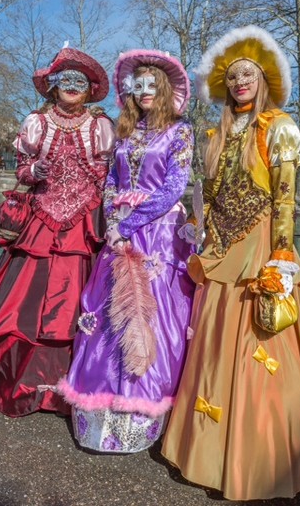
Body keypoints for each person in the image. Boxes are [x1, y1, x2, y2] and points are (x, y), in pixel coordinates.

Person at [161, 25, 300, 500]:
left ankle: (264, 458)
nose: (241, 81)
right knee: (218, 348)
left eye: (249, 73)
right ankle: (211, 453)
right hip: (223, 248)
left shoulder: (280, 126)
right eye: (234, 75)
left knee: (261, 344)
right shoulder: (218, 131)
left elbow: (285, 199)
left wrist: (282, 256)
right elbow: (211, 193)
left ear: (262, 79)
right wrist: (200, 228)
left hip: (262, 249)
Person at [0, 46, 115, 417]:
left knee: (78, 301)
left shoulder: (100, 125)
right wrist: (34, 173)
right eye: (66, 80)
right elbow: (22, 168)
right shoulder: (37, 122)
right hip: (42, 221)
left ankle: (70, 387)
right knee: (26, 302)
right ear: (54, 85)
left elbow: (109, 171)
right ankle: (26, 383)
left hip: (84, 224)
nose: (73, 87)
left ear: (90, 88)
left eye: (80, 82)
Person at [57, 49, 195, 453]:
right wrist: (112, 223)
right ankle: (98, 414)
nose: (146, 91)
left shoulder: (181, 132)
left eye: (153, 84)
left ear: (166, 89)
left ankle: (140, 418)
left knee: (151, 319)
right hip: (119, 236)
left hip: (158, 234)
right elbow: (112, 183)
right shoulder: (125, 131)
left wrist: (128, 223)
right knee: (107, 316)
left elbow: (174, 187)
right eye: (139, 85)